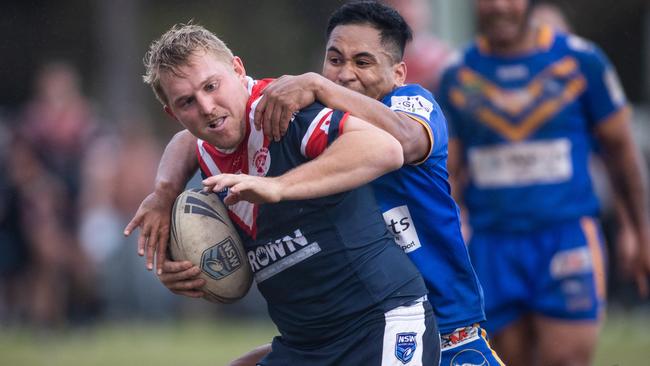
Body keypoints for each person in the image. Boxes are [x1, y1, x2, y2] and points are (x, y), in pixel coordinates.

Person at [126, 2, 502, 365]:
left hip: (443, 324)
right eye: (334, 60)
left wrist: (317, 87)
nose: (344, 74)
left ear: (399, 73)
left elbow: (400, 144)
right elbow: (197, 136)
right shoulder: (302, 117)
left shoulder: (408, 105)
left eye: (363, 62)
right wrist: (165, 199)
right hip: (345, 325)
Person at [437, 0, 650, 365]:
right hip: (493, 245)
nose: (500, 6)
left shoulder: (581, 62)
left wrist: (640, 231)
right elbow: (447, 174)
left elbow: (621, 150)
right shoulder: (458, 75)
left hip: (566, 237)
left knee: (565, 359)